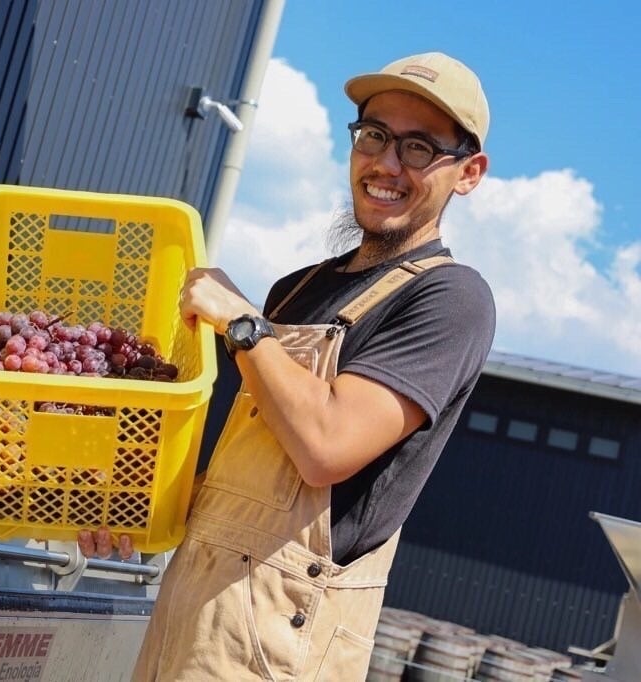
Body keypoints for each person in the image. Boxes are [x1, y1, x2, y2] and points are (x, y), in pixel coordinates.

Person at [79, 51, 496, 681]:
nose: (386, 164)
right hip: (194, 612)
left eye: (418, 148)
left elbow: (325, 447)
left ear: (468, 173)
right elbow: (246, 480)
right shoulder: (298, 291)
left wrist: (244, 323)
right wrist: (135, 508)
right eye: (375, 135)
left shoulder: (450, 299)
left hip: (278, 642)